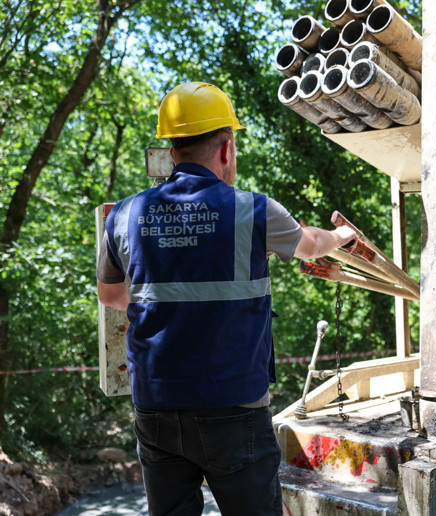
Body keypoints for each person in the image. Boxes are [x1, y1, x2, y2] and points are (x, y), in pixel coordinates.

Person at [96, 82, 356, 515]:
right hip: (233, 406)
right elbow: (310, 245)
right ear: (227, 149)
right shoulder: (252, 210)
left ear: (171, 151)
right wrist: (342, 236)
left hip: (156, 405)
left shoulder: (124, 214)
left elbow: (110, 294)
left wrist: (163, 303)